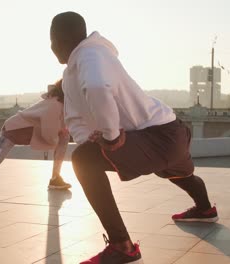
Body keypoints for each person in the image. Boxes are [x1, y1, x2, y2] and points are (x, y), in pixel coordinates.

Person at [50, 12, 218, 264]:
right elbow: (75, 118)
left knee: (83, 160)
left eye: (52, 41)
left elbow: (96, 87)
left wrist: (110, 135)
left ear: (60, 40)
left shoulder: (89, 54)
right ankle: (205, 209)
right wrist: (93, 139)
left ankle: (122, 246)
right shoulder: (78, 69)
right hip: (171, 131)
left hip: (155, 135)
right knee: (177, 173)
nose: (52, 48)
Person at [0, 79, 71, 204]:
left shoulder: (60, 105)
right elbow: (49, 132)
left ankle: (55, 178)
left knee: (64, 136)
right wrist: (56, 139)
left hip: (29, 133)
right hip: (13, 130)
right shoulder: (55, 105)